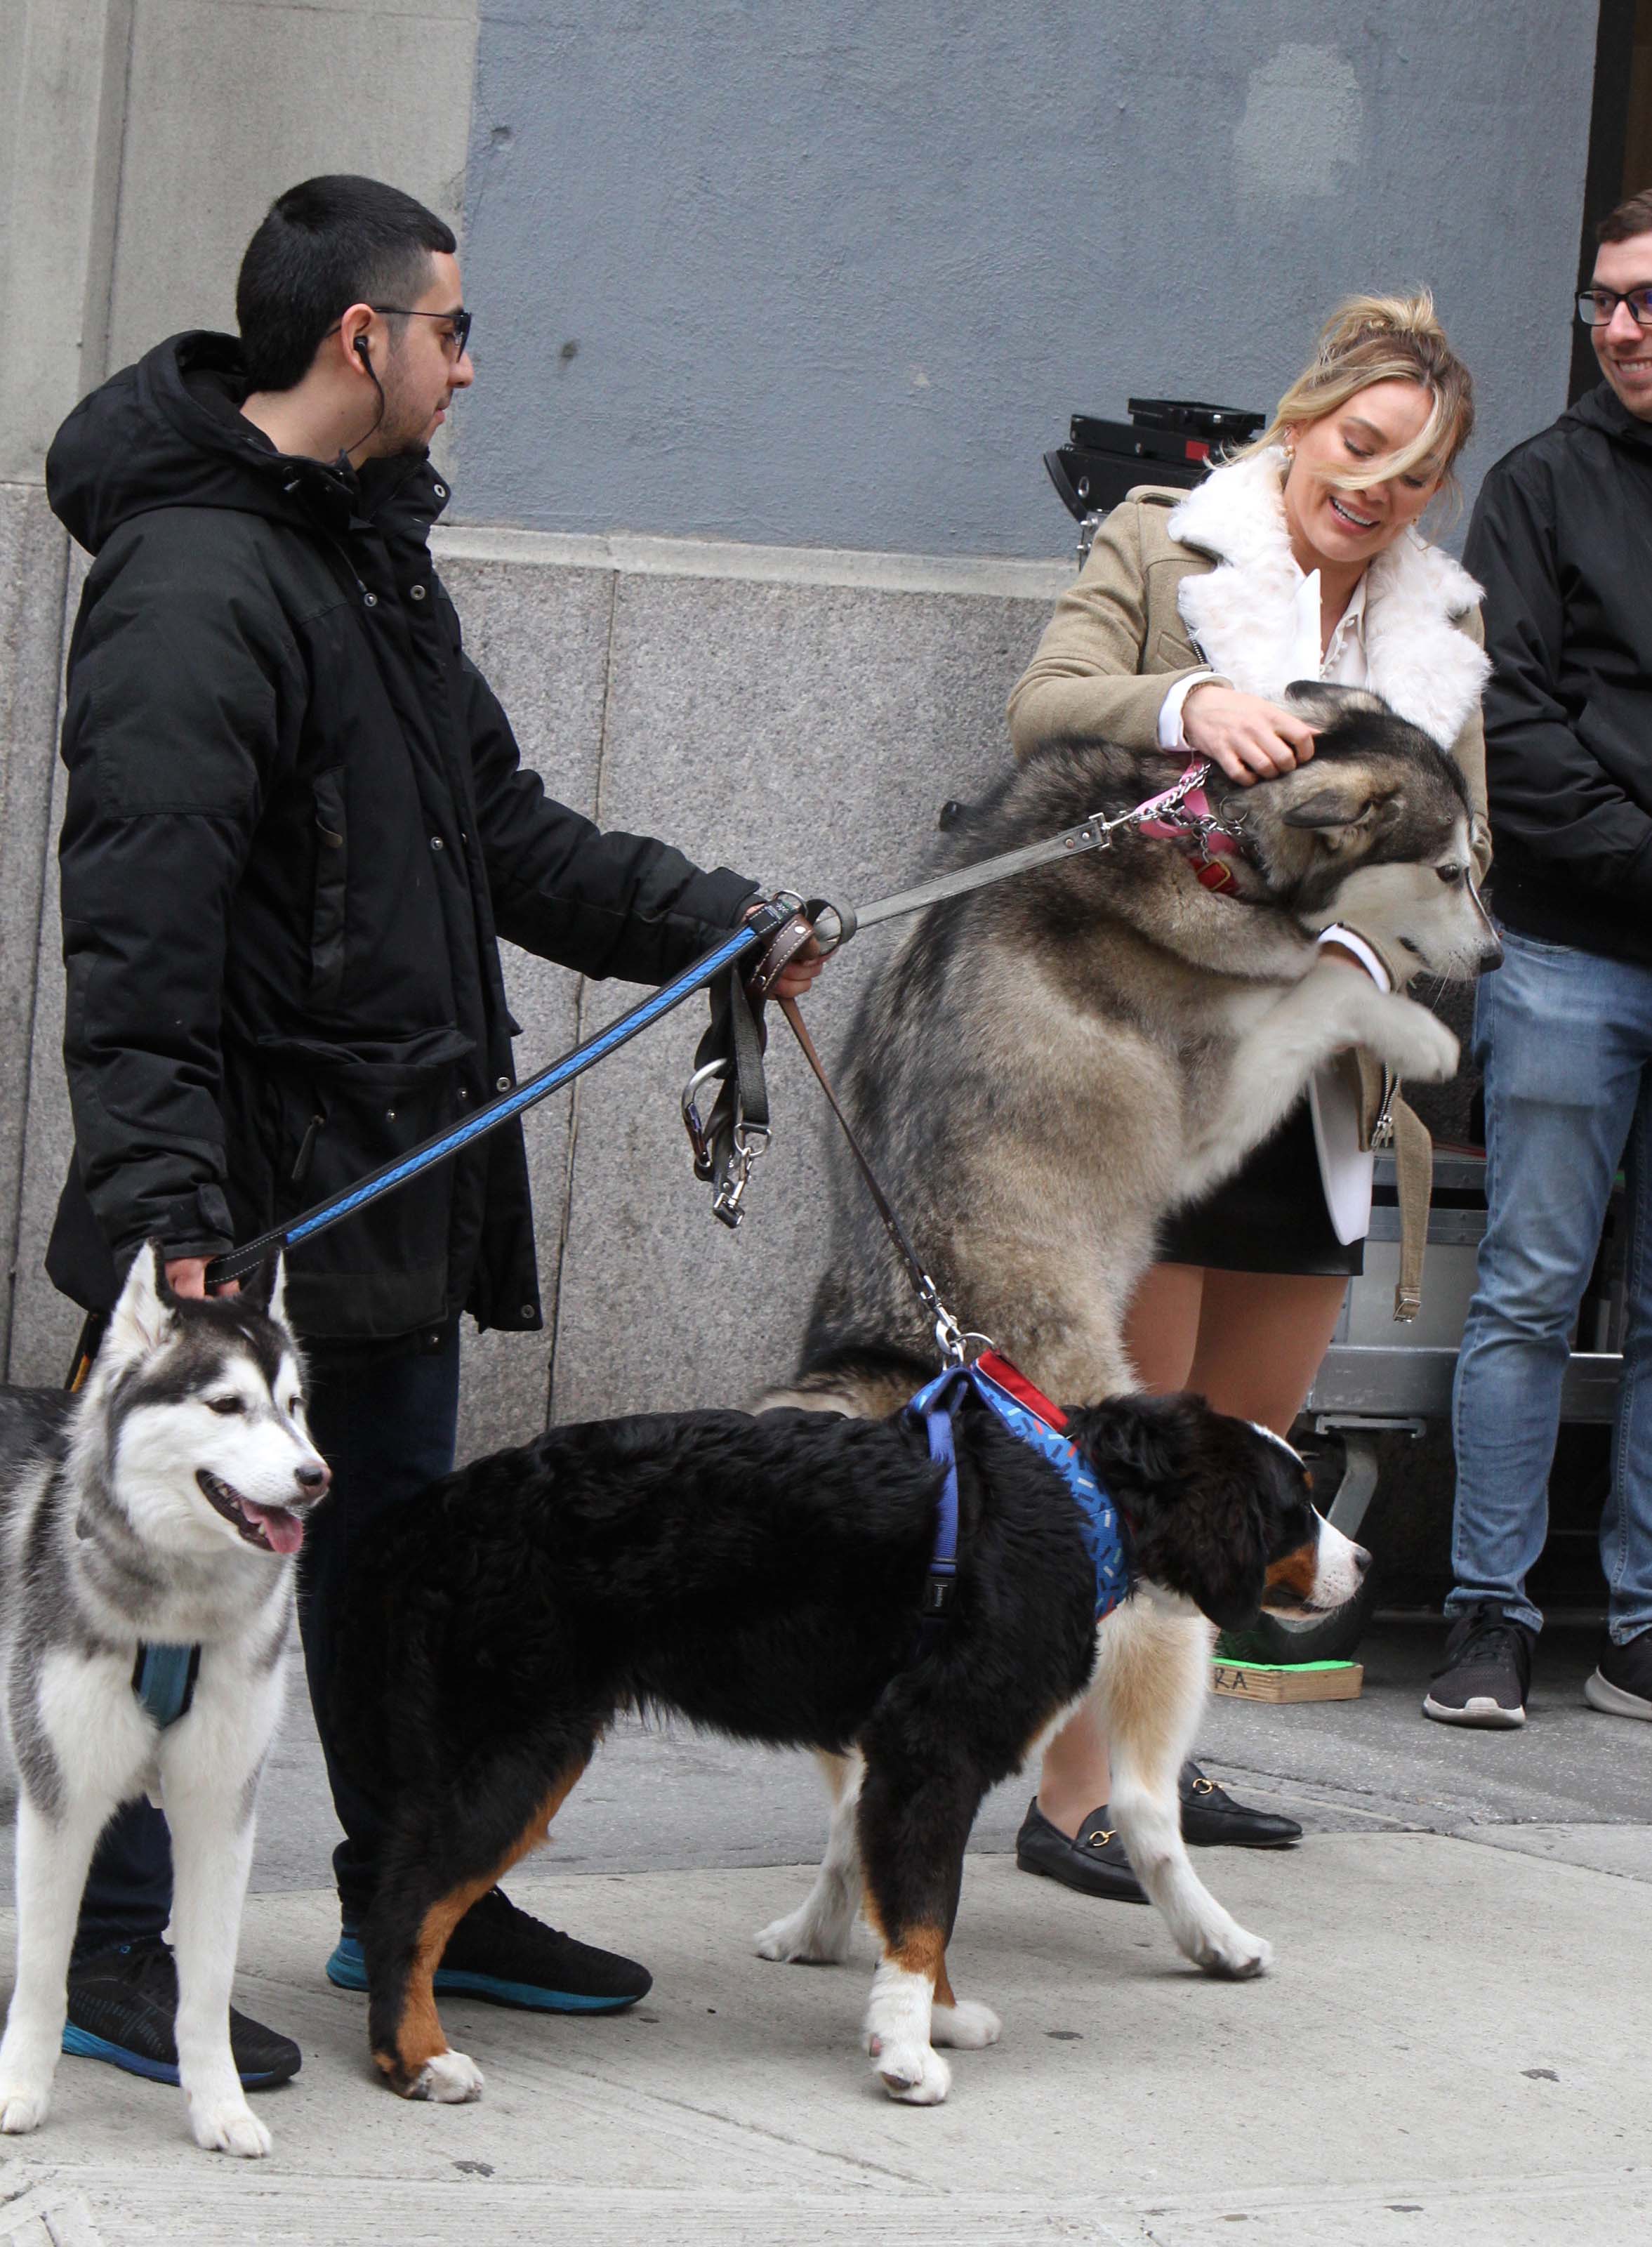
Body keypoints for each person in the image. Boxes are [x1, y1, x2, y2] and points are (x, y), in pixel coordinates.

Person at [41, 175, 822, 2089]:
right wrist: (170, 1222)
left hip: (389, 1191)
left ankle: (407, 1891)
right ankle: (103, 1948)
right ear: (357, 340)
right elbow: (137, 929)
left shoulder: (365, 556)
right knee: (160, 1597)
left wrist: (718, 916)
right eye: (451, 330)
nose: (474, 365)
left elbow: (509, 830)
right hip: (255, 1227)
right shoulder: (194, 581)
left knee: (397, 1578)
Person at [1006, 294, 1490, 1899]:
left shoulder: (1442, 633)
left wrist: (1378, 950)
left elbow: (1457, 855)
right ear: (1305, 420)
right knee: (1136, 1448)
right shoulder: (1168, 542)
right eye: (1359, 449)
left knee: (1250, 1454)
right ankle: (1068, 1787)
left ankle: (1154, 1765)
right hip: (1148, 1050)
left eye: (1413, 476)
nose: (1374, 491)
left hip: (1317, 1071)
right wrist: (1181, 704)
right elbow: (1043, 703)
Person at [1427, 190, 1652, 1729]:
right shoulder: (1541, 486)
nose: (1621, 328)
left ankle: (1641, 1631)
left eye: (1646, 301)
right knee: (1527, 1290)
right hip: (1572, 950)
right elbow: (1506, 721)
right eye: (1605, 304)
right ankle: (1487, 1619)